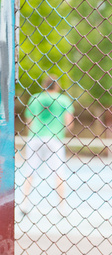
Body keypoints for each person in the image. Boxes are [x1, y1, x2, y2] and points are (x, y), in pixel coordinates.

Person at [22, 75, 74, 216]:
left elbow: (29, 121)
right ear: (57, 86)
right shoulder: (64, 99)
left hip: (35, 137)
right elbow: (69, 123)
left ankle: (24, 203)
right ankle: (62, 207)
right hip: (54, 138)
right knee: (58, 174)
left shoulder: (35, 98)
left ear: (44, 85)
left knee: (30, 172)